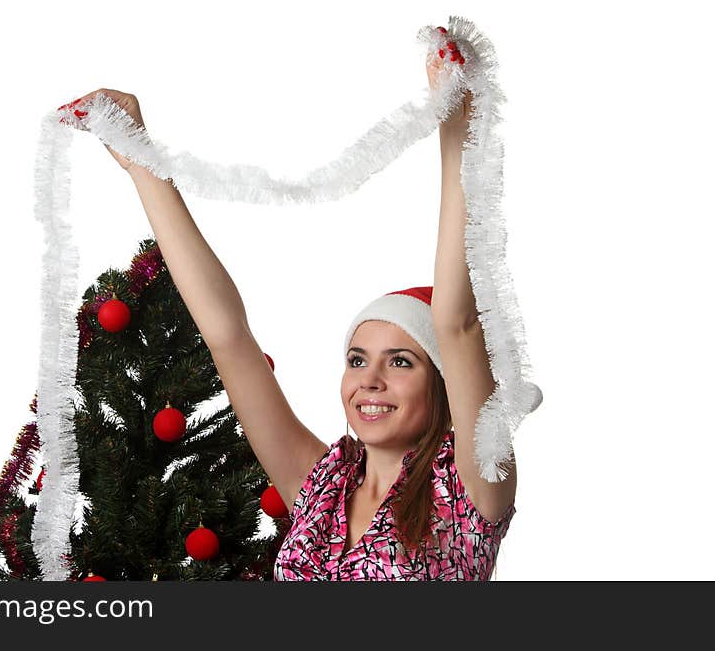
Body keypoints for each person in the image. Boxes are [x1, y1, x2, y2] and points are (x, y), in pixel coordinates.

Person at [60, 44, 516, 580]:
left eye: (400, 362)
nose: (369, 381)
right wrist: (141, 162)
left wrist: (456, 119)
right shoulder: (322, 484)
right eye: (357, 359)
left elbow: (457, 324)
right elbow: (228, 337)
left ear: (443, 382)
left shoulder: (471, 489)